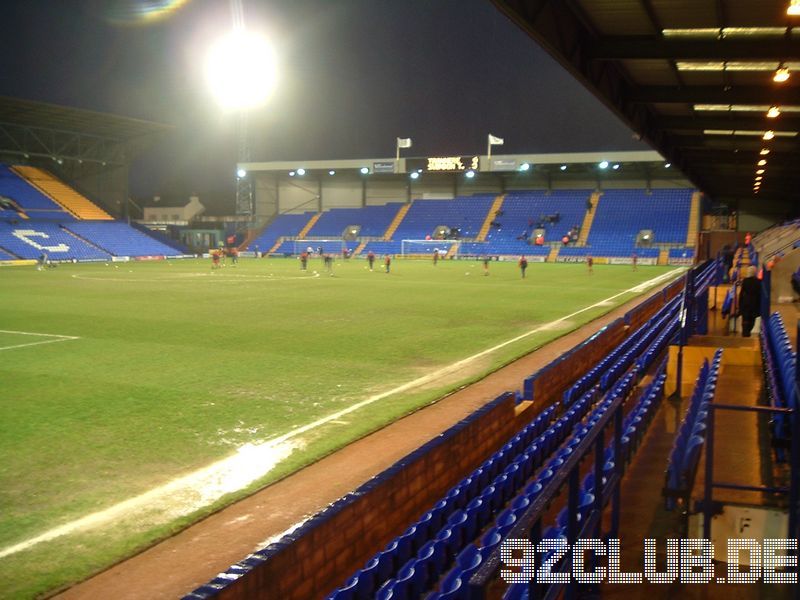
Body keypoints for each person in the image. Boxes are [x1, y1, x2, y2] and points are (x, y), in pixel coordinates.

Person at [738, 266, 761, 337]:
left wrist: (740, 304)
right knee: (752, 320)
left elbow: (741, 293)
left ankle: (745, 333)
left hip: (746, 302)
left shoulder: (745, 281)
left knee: (745, 320)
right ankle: (748, 332)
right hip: (754, 303)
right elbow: (759, 294)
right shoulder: (758, 282)